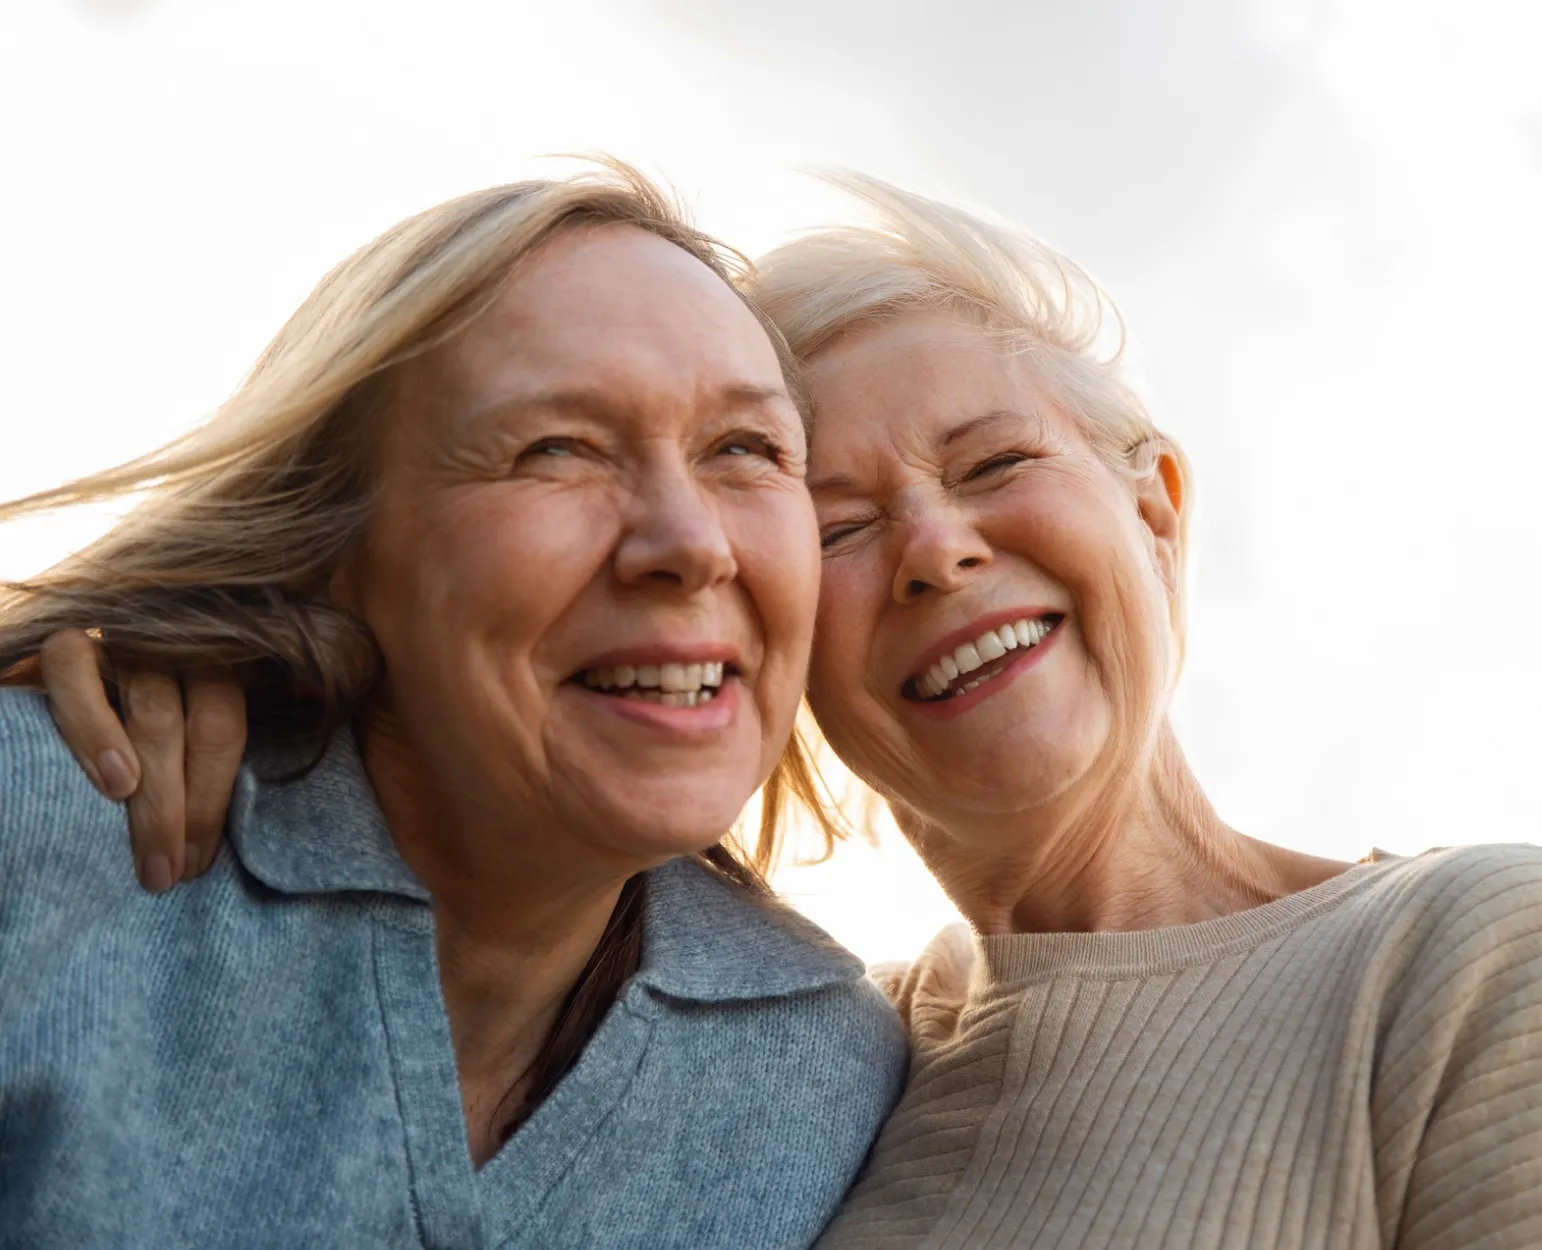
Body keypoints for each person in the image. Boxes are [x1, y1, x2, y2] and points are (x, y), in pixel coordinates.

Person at [36, 175, 1542, 1249]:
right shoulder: (845, 1056)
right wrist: (196, 652)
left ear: (1160, 511)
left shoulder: (1462, 949)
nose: (934, 549)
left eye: (993, 464)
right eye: (830, 517)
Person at [0, 163, 904, 1250]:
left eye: (744, 451)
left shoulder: (824, 1073)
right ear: (340, 546)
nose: (692, 542)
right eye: (555, 449)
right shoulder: (46, 834)